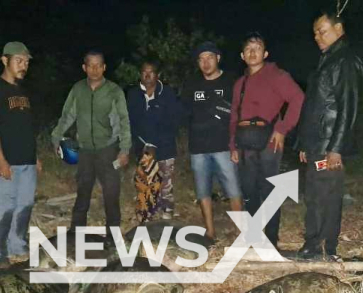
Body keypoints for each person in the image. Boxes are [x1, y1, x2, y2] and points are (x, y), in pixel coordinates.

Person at [296, 11, 363, 261]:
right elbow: (314, 106)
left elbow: (348, 108)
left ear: (338, 29)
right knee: (313, 194)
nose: (317, 36)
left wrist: (337, 148)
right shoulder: (327, 60)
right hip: (316, 144)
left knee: (328, 195)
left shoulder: (344, 61)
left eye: (322, 31)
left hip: (329, 147)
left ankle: (325, 247)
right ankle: (312, 242)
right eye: (315, 32)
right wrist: (304, 142)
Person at [229, 32, 304, 248]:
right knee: (249, 190)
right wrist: (232, 144)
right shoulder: (239, 84)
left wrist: (282, 128)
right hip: (244, 142)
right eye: (249, 49)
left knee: (270, 190)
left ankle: (271, 239)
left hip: (269, 141)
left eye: (258, 48)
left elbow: (298, 98)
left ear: (266, 53)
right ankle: (254, 237)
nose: (253, 52)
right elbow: (234, 115)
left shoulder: (276, 75)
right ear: (242, 55)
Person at [51, 50, 131, 243]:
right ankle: (74, 234)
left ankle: (112, 237)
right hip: (85, 150)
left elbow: (123, 121)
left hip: (108, 150)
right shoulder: (78, 89)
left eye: (99, 65)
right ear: (84, 67)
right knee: (83, 192)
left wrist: (124, 149)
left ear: (104, 67)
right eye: (90, 65)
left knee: (111, 194)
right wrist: (56, 137)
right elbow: (67, 115)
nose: (95, 69)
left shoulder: (114, 91)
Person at [0, 41, 41, 269]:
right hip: (6, 161)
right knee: (6, 206)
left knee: (25, 203)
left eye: (26, 61)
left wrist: (35, 157)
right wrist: (0, 159)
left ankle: (18, 244)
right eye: (19, 61)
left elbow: (25, 127)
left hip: (27, 160)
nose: (23, 65)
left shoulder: (23, 91)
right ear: (5, 60)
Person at [183, 41, 242, 243]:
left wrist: (237, 143)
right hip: (198, 148)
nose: (206, 62)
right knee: (202, 191)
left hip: (224, 147)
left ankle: (239, 230)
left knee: (233, 189)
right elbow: (184, 112)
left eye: (209, 57)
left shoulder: (232, 81)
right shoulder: (191, 84)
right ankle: (210, 232)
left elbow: (239, 113)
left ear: (218, 58)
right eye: (201, 59)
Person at [126, 60, 183, 220]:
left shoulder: (168, 93)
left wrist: (156, 143)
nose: (147, 75)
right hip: (143, 146)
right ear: (140, 74)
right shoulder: (133, 94)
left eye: (151, 72)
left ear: (157, 75)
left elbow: (174, 121)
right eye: (144, 71)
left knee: (166, 182)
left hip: (165, 146)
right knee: (145, 182)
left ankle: (167, 211)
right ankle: (147, 212)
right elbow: (131, 121)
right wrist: (144, 144)